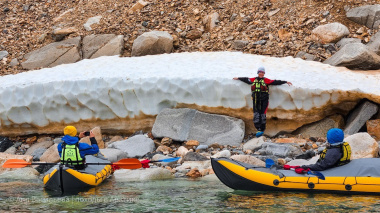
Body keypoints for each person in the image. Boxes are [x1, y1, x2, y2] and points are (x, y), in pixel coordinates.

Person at [233, 66, 292, 137]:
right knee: (256, 113)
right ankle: (258, 129)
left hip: (264, 99)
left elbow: (275, 82)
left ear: (264, 74)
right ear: (258, 73)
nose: (261, 73)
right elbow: (246, 79)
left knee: (263, 114)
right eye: (260, 72)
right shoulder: (253, 79)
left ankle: (262, 129)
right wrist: (238, 78)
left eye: (263, 72)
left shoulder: (266, 80)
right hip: (256, 99)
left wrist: (285, 82)